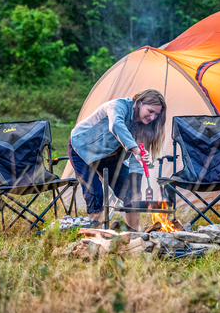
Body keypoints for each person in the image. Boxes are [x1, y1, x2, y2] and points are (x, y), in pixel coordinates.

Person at [68, 89, 167, 229]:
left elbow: (137, 160)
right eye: (150, 111)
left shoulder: (143, 126)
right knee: (95, 192)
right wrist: (135, 149)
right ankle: (96, 238)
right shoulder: (117, 106)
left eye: (156, 114)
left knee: (131, 194)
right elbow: (116, 125)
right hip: (83, 149)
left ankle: (133, 234)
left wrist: (135, 187)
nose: (152, 117)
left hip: (111, 157)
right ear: (139, 103)